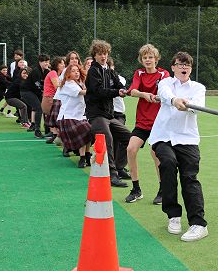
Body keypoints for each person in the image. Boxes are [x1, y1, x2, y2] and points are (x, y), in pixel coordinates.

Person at [149, 51, 208, 242]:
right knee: (167, 163)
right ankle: (173, 215)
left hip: (188, 139)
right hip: (163, 136)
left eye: (187, 64)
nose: (184, 67)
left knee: (189, 177)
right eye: (180, 64)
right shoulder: (165, 82)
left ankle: (198, 224)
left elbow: (199, 105)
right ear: (173, 67)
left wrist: (188, 105)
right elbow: (165, 94)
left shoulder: (198, 88)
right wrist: (174, 100)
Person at [125, 44, 169, 204]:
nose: (148, 60)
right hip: (142, 121)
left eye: (150, 57)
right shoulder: (139, 73)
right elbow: (132, 91)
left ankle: (163, 190)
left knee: (155, 153)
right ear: (141, 60)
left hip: (159, 123)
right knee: (131, 149)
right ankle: (136, 189)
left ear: (156, 59)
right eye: (145, 58)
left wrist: (157, 96)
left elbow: (165, 93)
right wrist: (145, 94)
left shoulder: (164, 74)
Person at [85, 39, 131, 188]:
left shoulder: (109, 71)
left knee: (129, 137)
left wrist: (125, 90)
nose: (103, 56)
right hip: (96, 115)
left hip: (109, 115)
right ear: (94, 55)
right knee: (108, 140)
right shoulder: (93, 71)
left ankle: (119, 167)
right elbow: (99, 92)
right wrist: (117, 92)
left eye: (104, 53)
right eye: (99, 54)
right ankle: (112, 176)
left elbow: (119, 84)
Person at [58, 63, 92, 168]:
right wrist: (96, 91)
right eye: (73, 71)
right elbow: (82, 92)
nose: (76, 72)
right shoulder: (68, 84)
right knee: (85, 132)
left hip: (80, 115)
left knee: (89, 134)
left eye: (77, 70)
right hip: (69, 116)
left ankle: (86, 156)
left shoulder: (79, 83)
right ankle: (82, 158)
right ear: (68, 73)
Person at [20, 54, 50, 138]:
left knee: (44, 108)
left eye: (48, 62)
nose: (46, 63)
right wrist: (45, 91)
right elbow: (38, 85)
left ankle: (47, 129)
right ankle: (37, 130)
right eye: (44, 62)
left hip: (36, 92)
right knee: (38, 108)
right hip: (26, 91)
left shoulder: (47, 71)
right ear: (40, 62)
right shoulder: (36, 71)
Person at [44, 56, 65, 144]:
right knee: (54, 118)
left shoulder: (56, 74)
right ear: (57, 65)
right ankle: (55, 136)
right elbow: (57, 86)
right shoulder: (53, 73)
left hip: (50, 98)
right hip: (50, 98)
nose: (63, 65)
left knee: (52, 118)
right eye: (61, 63)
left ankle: (55, 136)